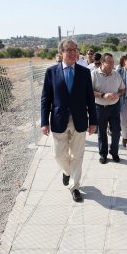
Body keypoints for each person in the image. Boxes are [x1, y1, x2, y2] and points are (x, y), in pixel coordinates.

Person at [41, 39, 97, 202]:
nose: (73, 53)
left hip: (79, 119)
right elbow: (46, 98)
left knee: (78, 155)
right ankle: (67, 172)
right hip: (59, 119)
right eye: (68, 50)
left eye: (75, 50)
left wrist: (93, 121)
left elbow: (90, 99)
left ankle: (74, 186)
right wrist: (44, 121)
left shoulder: (84, 72)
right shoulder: (51, 72)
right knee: (58, 155)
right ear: (61, 53)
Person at [91, 53, 125, 164]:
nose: (112, 64)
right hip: (99, 108)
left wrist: (118, 95)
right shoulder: (94, 74)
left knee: (116, 131)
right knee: (102, 132)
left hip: (114, 107)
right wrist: (103, 95)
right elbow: (89, 91)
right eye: (109, 62)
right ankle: (103, 154)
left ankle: (114, 152)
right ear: (102, 62)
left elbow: (123, 89)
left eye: (112, 62)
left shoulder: (116, 75)